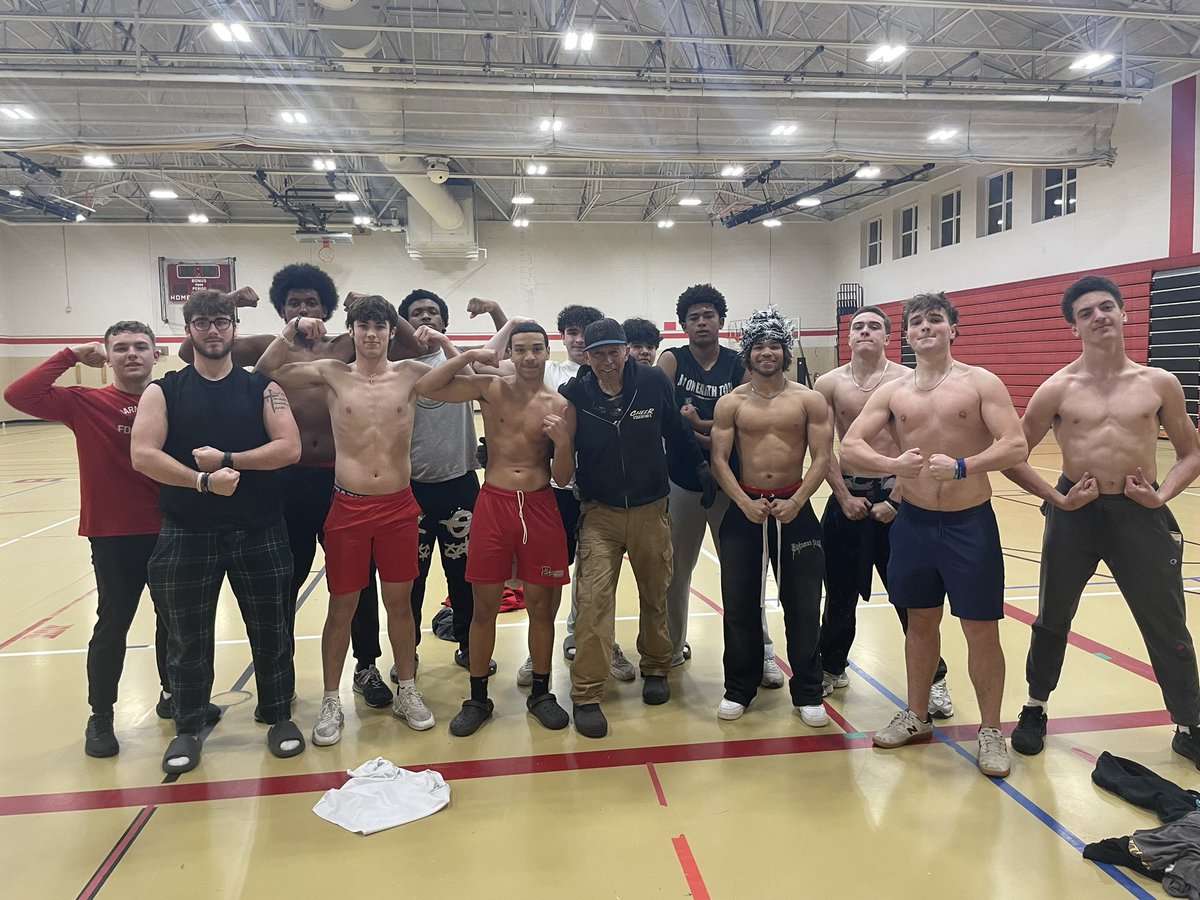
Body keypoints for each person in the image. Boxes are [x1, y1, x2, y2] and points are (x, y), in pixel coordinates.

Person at [178, 265, 420, 711]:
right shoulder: (269, 346)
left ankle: (366, 666)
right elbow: (186, 349)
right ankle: (280, 672)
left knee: (359, 583)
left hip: (342, 480)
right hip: (287, 479)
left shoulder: (347, 344)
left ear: (328, 308)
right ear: (282, 309)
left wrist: (373, 300)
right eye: (294, 303)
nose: (304, 309)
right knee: (283, 579)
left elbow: (410, 343)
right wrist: (228, 302)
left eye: (311, 302)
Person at [1001, 275, 1200, 763]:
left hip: (1140, 513)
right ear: (1075, 328)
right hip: (1076, 513)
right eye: (1086, 313)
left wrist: (1162, 495)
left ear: (1124, 314)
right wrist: (1055, 497)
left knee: (1167, 620)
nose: (1099, 317)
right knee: (1052, 616)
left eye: (1106, 307)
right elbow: (1012, 454)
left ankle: (1190, 722)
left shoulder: (1159, 384)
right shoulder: (1057, 388)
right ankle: (1035, 706)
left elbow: (1191, 453)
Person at [840, 292, 1027, 779]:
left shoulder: (980, 382)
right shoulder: (894, 391)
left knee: (980, 628)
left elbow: (1015, 444)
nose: (926, 327)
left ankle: (990, 730)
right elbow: (850, 446)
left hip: (970, 524)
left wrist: (966, 465)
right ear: (906, 334)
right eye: (917, 321)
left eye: (935, 320)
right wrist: (892, 465)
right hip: (915, 524)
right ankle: (917, 716)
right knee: (920, 623)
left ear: (952, 329)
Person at [131, 290, 305, 774]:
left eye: (222, 322)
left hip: (260, 529)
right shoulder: (163, 390)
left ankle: (277, 714)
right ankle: (188, 726)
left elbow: (288, 447)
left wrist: (229, 462)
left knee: (272, 629)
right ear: (188, 330)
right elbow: (143, 454)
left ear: (234, 328)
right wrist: (202, 482)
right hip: (187, 531)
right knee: (187, 636)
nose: (213, 330)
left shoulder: (262, 388)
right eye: (203, 322)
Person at [3, 322, 191, 758]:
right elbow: (18, 396)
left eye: (141, 347)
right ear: (106, 355)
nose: (131, 355)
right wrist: (69, 355)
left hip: (171, 530)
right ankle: (102, 715)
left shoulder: (173, 401)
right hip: (113, 535)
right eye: (121, 348)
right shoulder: (84, 402)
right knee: (112, 627)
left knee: (175, 625)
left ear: (156, 354)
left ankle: (173, 695)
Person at [256, 296, 437, 747]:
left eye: (379, 326)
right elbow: (269, 368)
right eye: (363, 326)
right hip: (349, 506)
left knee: (400, 604)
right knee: (342, 607)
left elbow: (469, 382)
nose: (372, 334)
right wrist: (294, 326)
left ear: (392, 332)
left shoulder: (411, 375)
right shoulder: (332, 373)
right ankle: (331, 699)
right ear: (351, 331)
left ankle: (408, 689)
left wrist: (450, 344)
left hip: (398, 506)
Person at [415, 323, 575, 736]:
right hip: (494, 504)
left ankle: (541, 692)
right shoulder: (489, 387)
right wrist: (468, 356)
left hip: (540, 505)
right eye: (519, 349)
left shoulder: (560, 404)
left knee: (542, 609)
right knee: (483, 608)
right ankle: (478, 696)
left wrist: (562, 443)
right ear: (510, 352)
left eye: (536, 349)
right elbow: (428, 388)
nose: (528, 357)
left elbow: (563, 476)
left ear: (546, 351)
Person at [559, 319, 707, 738]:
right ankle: (587, 693)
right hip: (599, 514)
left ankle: (657, 668)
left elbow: (676, 434)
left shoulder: (654, 382)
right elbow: (561, 448)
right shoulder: (575, 394)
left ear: (626, 351)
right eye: (597, 353)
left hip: (650, 510)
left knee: (656, 594)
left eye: (613, 352)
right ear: (585, 356)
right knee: (592, 604)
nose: (607, 361)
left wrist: (698, 469)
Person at [476, 305, 637, 682]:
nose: (579, 339)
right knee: (549, 581)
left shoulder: (614, 375)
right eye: (571, 333)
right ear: (560, 340)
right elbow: (507, 355)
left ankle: (599, 641)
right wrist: (505, 319)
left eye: (586, 333)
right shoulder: (549, 370)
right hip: (554, 494)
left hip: (600, 493)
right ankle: (539, 655)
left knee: (598, 577)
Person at [813, 306, 955, 718]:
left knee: (911, 599)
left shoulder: (908, 382)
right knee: (838, 594)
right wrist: (842, 497)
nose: (865, 332)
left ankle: (934, 680)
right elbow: (823, 450)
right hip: (848, 500)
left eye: (874, 326)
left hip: (899, 504)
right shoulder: (828, 384)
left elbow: (922, 447)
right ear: (849, 337)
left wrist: (896, 500)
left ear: (889, 336)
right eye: (858, 326)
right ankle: (832, 667)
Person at [709, 308, 832, 725]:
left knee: (803, 605)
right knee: (740, 604)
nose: (767, 353)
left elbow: (822, 458)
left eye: (774, 345)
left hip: (793, 510)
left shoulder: (808, 399)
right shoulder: (732, 403)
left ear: (785, 351)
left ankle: (809, 692)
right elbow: (719, 460)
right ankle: (738, 688)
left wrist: (798, 499)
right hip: (747, 511)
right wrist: (742, 502)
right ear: (749, 352)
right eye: (759, 346)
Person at [658, 284, 780, 686]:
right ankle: (672, 647)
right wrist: (707, 445)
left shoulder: (737, 364)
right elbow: (666, 420)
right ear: (683, 324)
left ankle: (761, 652)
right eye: (693, 317)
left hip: (733, 482)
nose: (702, 322)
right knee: (675, 572)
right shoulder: (671, 360)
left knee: (744, 572)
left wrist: (704, 434)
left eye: (708, 314)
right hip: (682, 480)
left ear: (721, 321)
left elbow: (748, 422)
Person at [393, 289, 495, 678]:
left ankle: (471, 648)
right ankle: (408, 653)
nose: (425, 318)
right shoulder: (396, 365)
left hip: (459, 484)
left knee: (465, 576)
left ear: (444, 323)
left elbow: (478, 380)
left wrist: (447, 344)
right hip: (411, 488)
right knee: (410, 581)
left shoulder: (453, 360)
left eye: (433, 313)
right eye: (416, 313)